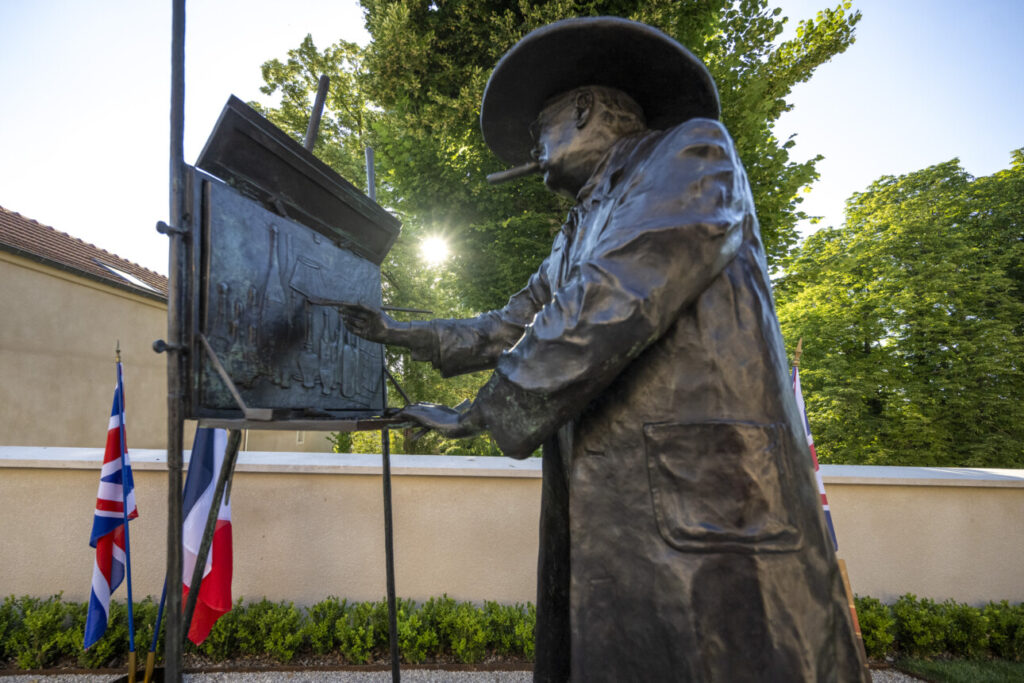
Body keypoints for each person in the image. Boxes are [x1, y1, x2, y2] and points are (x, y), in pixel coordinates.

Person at [341, 17, 869, 683]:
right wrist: (400, 333)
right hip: (615, 506)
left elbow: (618, 289)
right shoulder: (576, 228)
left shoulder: (691, 151)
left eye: (541, 131)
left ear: (585, 113)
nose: (532, 151)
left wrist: (486, 409)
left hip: (708, 501)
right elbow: (513, 323)